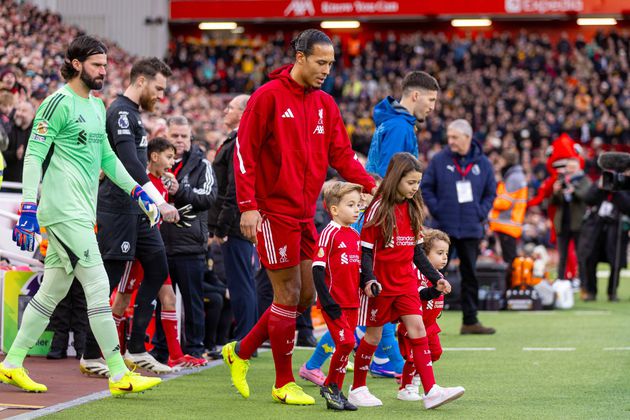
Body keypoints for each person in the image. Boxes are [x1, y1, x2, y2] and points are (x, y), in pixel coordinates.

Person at [223, 28, 377, 406]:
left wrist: (370, 184)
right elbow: (244, 153)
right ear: (300, 57)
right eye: (321, 62)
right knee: (288, 294)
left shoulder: (326, 103)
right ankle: (283, 382)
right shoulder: (267, 97)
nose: (327, 70)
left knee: (305, 295)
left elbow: (342, 155)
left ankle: (240, 351)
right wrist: (248, 206)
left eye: (331, 64)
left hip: (305, 214)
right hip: (272, 212)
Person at [0, 35, 161, 395]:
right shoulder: (57, 103)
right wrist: (28, 208)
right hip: (63, 210)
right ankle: (118, 373)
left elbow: (108, 159)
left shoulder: (97, 106)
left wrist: (139, 192)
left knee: (52, 292)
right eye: (96, 65)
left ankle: (11, 363)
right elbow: (33, 156)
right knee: (98, 285)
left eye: (105, 65)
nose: (103, 71)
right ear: (76, 64)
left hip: (81, 212)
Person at [83, 57, 179, 377]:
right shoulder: (121, 112)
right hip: (118, 208)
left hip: (138, 210)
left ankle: (136, 348)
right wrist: (158, 202)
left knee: (158, 268)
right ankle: (90, 354)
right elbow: (128, 162)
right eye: (158, 88)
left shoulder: (133, 113)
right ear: (141, 81)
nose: (161, 96)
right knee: (109, 281)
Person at [350, 152, 464, 409]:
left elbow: (417, 252)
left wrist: (436, 278)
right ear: (395, 179)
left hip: (406, 284)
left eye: (417, 183)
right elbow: (366, 251)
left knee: (418, 330)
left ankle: (431, 390)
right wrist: (368, 280)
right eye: (410, 182)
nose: (414, 188)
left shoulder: (413, 208)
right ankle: (357, 387)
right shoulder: (378, 208)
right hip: (381, 285)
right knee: (373, 337)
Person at [110, 137, 206, 369]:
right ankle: (110, 353)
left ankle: (176, 355)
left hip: (154, 252)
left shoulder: (164, 184)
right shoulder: (140, 183)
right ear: (154, 156)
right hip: (137, 252)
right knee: (122, 300)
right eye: (169, 157)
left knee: (169, 298)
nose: (172, 163)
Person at [421, 119, 497, 335]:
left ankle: (470, 321)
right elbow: (426, 187)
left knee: (470, 274)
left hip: (471, 228)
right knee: (434, 274)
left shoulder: (483, 164)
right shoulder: (439, 160)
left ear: (468, 137)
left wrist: (480, 212)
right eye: (449, 137)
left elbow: (491, 192)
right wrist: (438, 210)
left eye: (455, 137)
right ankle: (424, 321)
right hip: (443, 229)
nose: (451, 141)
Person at [153, 115, 216, 361]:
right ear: (166, 136)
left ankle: (195, 348)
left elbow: (208, 197)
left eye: (183, 136)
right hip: (160, 243)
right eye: (174, 136)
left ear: (191, 138)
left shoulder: (202, 164)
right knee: (162, 301)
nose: (179, 140)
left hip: (190, 244)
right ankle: (161, 349)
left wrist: (180, 191)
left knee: (192, 301)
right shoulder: (154, 163)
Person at [209, 94, 257, 342]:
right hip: (236, 221)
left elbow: (233, 188)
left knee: (240, 284)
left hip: (235, 224)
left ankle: (245, 339)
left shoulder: (240, 140)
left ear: (243, 113)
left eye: (231, 107)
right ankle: (248, 338)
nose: (225, 111)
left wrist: (221, 226)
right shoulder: (236, 139)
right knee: (243, 282)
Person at [313, 181, 362, 411]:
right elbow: (317, 269)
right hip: (334, 303)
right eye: (351, 205)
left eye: (358, 205)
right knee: (346, 342)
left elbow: (357, 269)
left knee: (346, 346)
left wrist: (368, 284)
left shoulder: (355, 235)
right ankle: (330, 386)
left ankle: (336, 391)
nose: (357, 209)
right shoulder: (328, 234)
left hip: (353, 302)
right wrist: (327, 301)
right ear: (334, 209)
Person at [397, 229, 452, 401]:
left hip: (430, 325)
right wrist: (436, 291)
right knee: (413, 358)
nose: (444, 258)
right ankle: (406, 387)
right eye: (439, 253)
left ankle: (418, 377)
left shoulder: (439, 275)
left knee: (435, 352)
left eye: (446, 253)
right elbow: (420, 294)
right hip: (414, 325)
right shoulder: (417, 273)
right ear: (424, 255)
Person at [365, 71, 439, 177]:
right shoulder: (399, 127)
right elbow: (388, 177)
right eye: (431, 100)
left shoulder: (396, 122)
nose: (432, 107)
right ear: (416, 96)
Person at [489, 149, 528, 288]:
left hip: (507, 224)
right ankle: (512, 288)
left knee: (510, 260)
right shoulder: (514, 176)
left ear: (505, 160)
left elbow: (504, 202)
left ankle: (513, 288)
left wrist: (489, 200)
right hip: (508, 224)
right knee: (509, 258)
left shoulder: (514, 177)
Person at [551, 158, 592, 288]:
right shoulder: (562, 181)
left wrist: (573, 190)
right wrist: (556, 191)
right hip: (563, 222)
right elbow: (554, 202)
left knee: (581, 255)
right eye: (568, 167)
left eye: (573, 167)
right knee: (562, 255)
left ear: (578, 168)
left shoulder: (584, 180)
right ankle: (560, 280)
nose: (570, 170)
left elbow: (585, 196)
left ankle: (583, 282)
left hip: (578, 223)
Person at [4, 100, 34, 183]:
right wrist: (15, 154)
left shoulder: (36, 133)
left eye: (23, 111)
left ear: (32, 115)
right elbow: (2, 153)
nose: (19, 113)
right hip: (7, 181)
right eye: (18, 109)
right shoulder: (7, 129)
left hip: (27, 182)